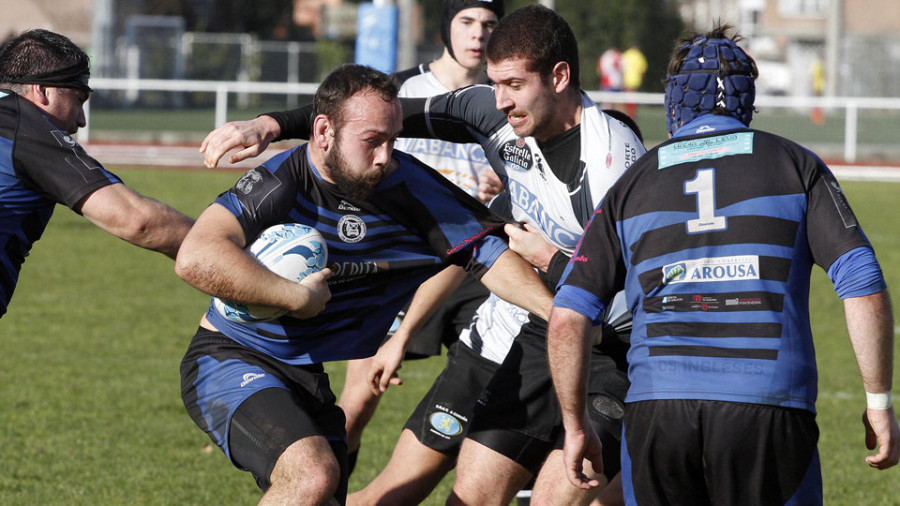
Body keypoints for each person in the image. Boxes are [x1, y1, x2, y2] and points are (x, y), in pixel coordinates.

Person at [199, 5, 645, 504]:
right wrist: (271, 125)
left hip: (615, 340)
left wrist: (549, 258)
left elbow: (639, 281)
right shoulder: (490, 110)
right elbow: (368, 115)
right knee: (471, 490)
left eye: (513, 85)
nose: (499, 101)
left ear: (559, 76)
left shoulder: (610, 162)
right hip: (541, 323)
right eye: (494, 84)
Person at [547, 24, 899, 505]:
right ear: (746, 100)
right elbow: (862, 284)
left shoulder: (632, 183)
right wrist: (878, 402)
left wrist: (574, 425)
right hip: (767, 407)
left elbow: (568, 316)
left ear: (675, 102)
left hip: (657, 409)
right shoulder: (795, 164)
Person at [175, 63, 555, 504]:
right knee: (311, 475)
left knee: (321, 487)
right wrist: (297, 296)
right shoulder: (281, 181)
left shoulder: (406, 183)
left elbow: (488, 257)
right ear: (323, 132)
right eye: (372, 141)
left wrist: (560, 315)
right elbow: (195, 256)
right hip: (229, 358)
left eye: (392, 140)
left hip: (305, 376)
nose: (383, 156)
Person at [333, 0, 505, 479]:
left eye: (490, 25)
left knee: (492, 394)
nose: (478, 34)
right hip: (400, 261)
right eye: (467, 22)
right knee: (359, 398)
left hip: (473, 269)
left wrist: (507, 189)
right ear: (445, 28)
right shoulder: (402, 90)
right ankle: (329, 485)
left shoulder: (506, 99)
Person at [0, 29, 194, 319]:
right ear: (42, 90)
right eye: (78, 100)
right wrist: (230, 249)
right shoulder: (26, 128)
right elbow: (138, 221)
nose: (80, 120)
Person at [620, 45, 647, 118]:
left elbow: (621, 68)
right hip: (635, 81)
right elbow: (643, 69)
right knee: (631, 101)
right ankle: (631, 116)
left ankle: (627, 115)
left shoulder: (626, 54)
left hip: (626, 80)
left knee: (626, 100)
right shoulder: (639, 55)